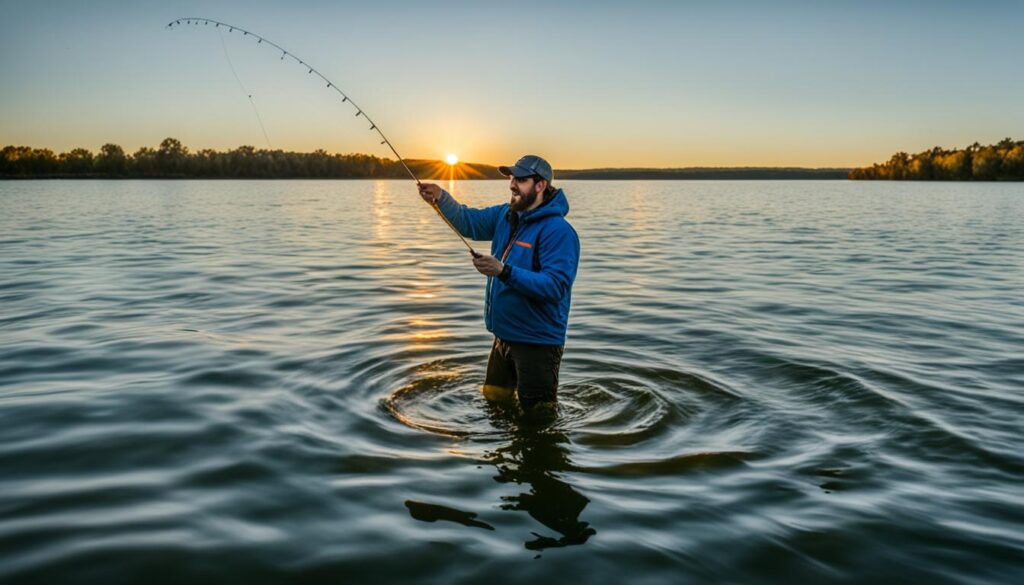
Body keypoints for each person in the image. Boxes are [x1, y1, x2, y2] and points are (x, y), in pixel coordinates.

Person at [417, 155, 580, 409]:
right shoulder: (505, 215)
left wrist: (504, 271)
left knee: (537, 420)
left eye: (521, 180)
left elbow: (555, 286)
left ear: (540, 185)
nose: (513, 184)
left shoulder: (558, 231)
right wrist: (440, 197)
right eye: (512, 178)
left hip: (537, 345)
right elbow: (467, 220)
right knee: (494, 404)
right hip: (503, 339)